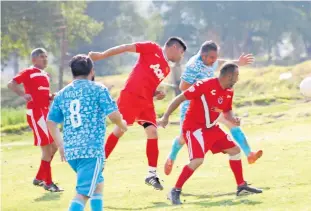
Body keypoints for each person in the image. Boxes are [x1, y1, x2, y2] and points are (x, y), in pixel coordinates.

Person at [88, 37, 187, 190]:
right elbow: (125, 47)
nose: (181, 56)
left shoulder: (166, 68)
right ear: (174, 47)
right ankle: (97, 166)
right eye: (181, 52)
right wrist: (101, 55)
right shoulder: (152, 48)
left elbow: (147, 83)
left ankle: (151, 174)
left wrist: (155, 93)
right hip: (131, 95)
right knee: (120, 130)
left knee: (153, 132)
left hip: (146, 101)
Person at [158, 62, 263, 205]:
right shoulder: (204, 85)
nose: (238, 79)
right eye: (237, 75)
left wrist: (232, 118)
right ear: (229, 76)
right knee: (197, 160)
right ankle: (175, 191)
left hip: (211, 128)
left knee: (235, 151)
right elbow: (180, 98)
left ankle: (241, 186)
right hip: (194, 128)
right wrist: (165, 116)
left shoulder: (229, 91)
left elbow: (227, 110)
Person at [164, 41, 262, 176]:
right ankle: (171, 157)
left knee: (231, 121)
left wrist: (237, 63)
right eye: (211, 58)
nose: (214, 61)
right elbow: (183, 87)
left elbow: (220, 63)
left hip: (211, 104)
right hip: (192, 107)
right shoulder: (193, 66)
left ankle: (249, 153)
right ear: (203, 56)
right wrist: (204, 92)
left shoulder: (210, 60)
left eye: (215, 58)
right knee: (183, 138)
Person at [47, 54, 127, 211]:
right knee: (83, 194)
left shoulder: (62, 94)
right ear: (92, 71)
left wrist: (61, 145)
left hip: (71, 151)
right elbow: (113, 115)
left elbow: (51, 122)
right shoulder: (98, 89)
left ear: (73, 72)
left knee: (98, 184)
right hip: (91, 151)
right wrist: (122, 125)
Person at [7, 48, 62, 192]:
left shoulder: (46, 74)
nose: (45, 59)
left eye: (46, 57)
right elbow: (11, 84)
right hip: (36, 114)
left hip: (46, 113)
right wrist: (23, 94)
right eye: (42, 57)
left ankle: (39, 177)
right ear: (34, 60)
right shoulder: (28, 72)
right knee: (47, 148)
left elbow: (42, 93)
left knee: (55, 146)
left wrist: (50, 96)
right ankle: (48, 183)